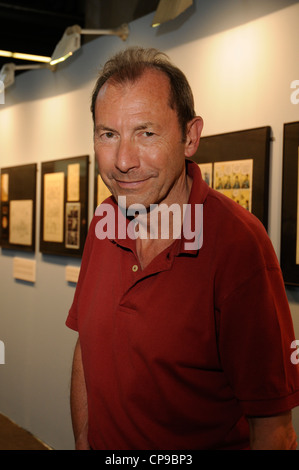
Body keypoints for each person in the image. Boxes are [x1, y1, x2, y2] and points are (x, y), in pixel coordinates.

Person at [66, 47, 299, 450]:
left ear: (190, 137)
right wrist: (84, 441)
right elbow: (87, 348)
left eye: (146, 133)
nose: (123, 160)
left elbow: (274, 429)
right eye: (109, 134)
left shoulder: (239, 245)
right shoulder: (103, 223)